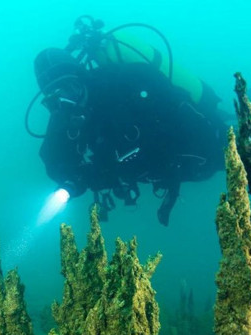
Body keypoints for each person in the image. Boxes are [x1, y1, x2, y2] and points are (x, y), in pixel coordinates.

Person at [28, 16, 227, 226]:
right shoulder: (64, 111)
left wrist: (109, 169)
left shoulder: (126, 83)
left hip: (201, 148)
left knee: (234, 152)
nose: (67, 101)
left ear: (82, 78)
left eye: (70, 89)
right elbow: (51, 156)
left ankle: (248, 110)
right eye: (56, 96)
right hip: (166, 171)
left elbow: (171, 127)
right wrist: (72, 178)